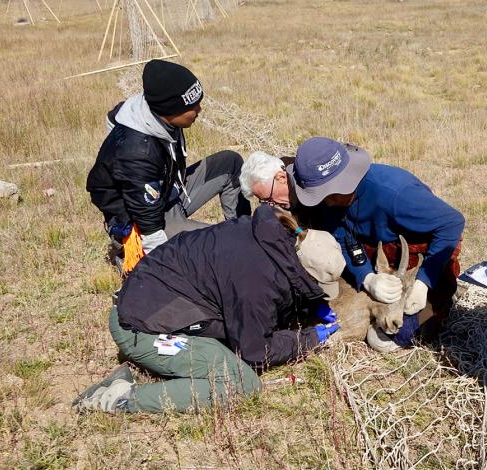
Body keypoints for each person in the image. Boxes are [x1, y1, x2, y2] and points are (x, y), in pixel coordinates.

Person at [72, 205, 345, 413]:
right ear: (302, 271)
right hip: (140, 329)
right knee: (243, 384)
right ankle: (121, 399)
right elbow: (254, 351)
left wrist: (311, 304)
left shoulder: (269, 234)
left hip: (143, 300)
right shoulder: (256, 281)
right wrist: (310, 339)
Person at [288, 137, 465, 351]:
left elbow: (452, 223)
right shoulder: (331, 201)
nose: (325, 202)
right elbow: (342, 237)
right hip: (376, 257)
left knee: (391, 336)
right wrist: (366, 276)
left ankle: (445, 297)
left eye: (329, 194)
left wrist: (423, 282)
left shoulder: (396, 194)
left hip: (415, 264)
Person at [86, 59, 251, 268]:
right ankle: (126, 248)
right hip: (147, 218)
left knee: (230, 163)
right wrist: (159, 266)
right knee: (221, 244)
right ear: (170, 110)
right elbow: (150, 227)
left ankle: (244, 232)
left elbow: (112, 118)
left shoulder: (146, 107)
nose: (199, 110)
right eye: (192, 106)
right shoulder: (137, 153)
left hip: (168, 190)